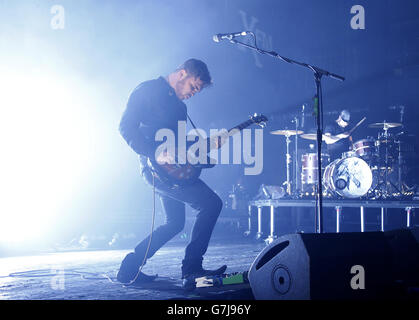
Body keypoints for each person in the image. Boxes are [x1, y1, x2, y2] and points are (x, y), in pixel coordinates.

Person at [117, 59, 227, 285]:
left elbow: (177, 146)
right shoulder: (147, 90)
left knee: (175, 223)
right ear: (182, 74)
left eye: (197, 90)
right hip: (154, 170)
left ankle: (129, 268)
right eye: (193, 87)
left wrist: (202, 146)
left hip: (172, 171)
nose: (194, 93)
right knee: (211, 204)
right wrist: (153, 153)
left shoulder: (180, 108)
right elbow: (125, 127)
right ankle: (192, 268)